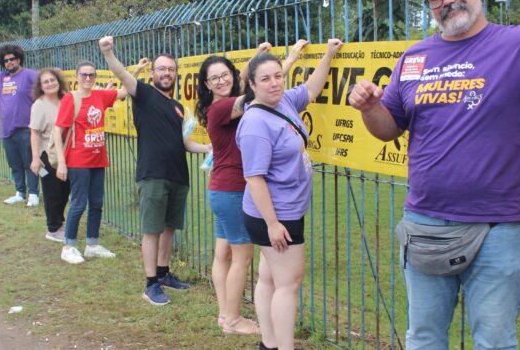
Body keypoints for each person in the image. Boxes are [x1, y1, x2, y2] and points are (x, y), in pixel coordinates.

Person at [348, 0, 520, 350]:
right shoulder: (414, 59)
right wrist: (371, 107)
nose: (446, 1)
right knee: (423, 338)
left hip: (498, 226)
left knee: (494, 341)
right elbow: (390, 130)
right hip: (425, 222)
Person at [236, 38, 341, 350]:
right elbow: (254, 178)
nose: (274, 84)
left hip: (283, 211)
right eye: (265, 79)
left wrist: (329, 55)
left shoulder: (281, 102)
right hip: (275, 215)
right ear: (252, 84)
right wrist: (272, 224)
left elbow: (311, 89)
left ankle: (268, 344)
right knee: (288, 284)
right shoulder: (256, 122)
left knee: (269, 279)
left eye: (278, 76)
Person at [194, 41, 304, 334]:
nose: (222, 80)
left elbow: (252, 82)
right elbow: (261, 90)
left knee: (223, 253)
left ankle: (224, 314)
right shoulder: (222, 107)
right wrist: (287, 59)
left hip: (220, 188)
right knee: (241, 258)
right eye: (214, 78)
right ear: (206, 84)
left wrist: (261, 58)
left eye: (225, 74)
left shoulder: (225, 102)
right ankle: (232, 319)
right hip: (232, 189)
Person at [101, 36, 211, 305]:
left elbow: (184, 143)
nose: (166, 73)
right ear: (153, 73)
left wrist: (207, 148)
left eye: (171, 69)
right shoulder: (144, 94)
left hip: (178, 176)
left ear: (176, 73)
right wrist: (108, 53)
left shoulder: (177, 108)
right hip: (152, 174)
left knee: (169, 227)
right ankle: (150, 284)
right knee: (152, 230)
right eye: (161, 68)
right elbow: (121, 73)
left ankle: (163, 274)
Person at [51, 61, 135, 264]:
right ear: (77, 76)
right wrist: (62, 163)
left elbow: (126, 90)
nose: (88, 78)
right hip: (78, 159)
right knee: (79, 202)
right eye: (84, 75)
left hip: (98, 158)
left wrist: (138, 69)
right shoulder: (71, 99)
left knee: (97, 202)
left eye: (91, 75)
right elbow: (57, 130)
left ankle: (92, 244)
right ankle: (68, 246)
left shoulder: (100, 96)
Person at [0, 44, 41, 207]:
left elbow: (47, 85)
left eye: (12, 59)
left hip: (26, 129)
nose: (9, 62)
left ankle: (33, 194)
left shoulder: (30, 75)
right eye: (6, 60)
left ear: (19, 59)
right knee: (15, 164)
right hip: (6, 130)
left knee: (31, 163)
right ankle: (20, 192)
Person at [29, 68, 72, 243]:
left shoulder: (66, 99)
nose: (50, 84)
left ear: (58, 81)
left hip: (66, 151)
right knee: (52, 192)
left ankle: (59, 223)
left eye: (52, 80)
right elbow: (34, 133)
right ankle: (53, 228)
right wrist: (35, 158)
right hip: (47, 154)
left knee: (65, 190)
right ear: (40, 86)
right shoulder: (39, 105)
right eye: (45, 81)